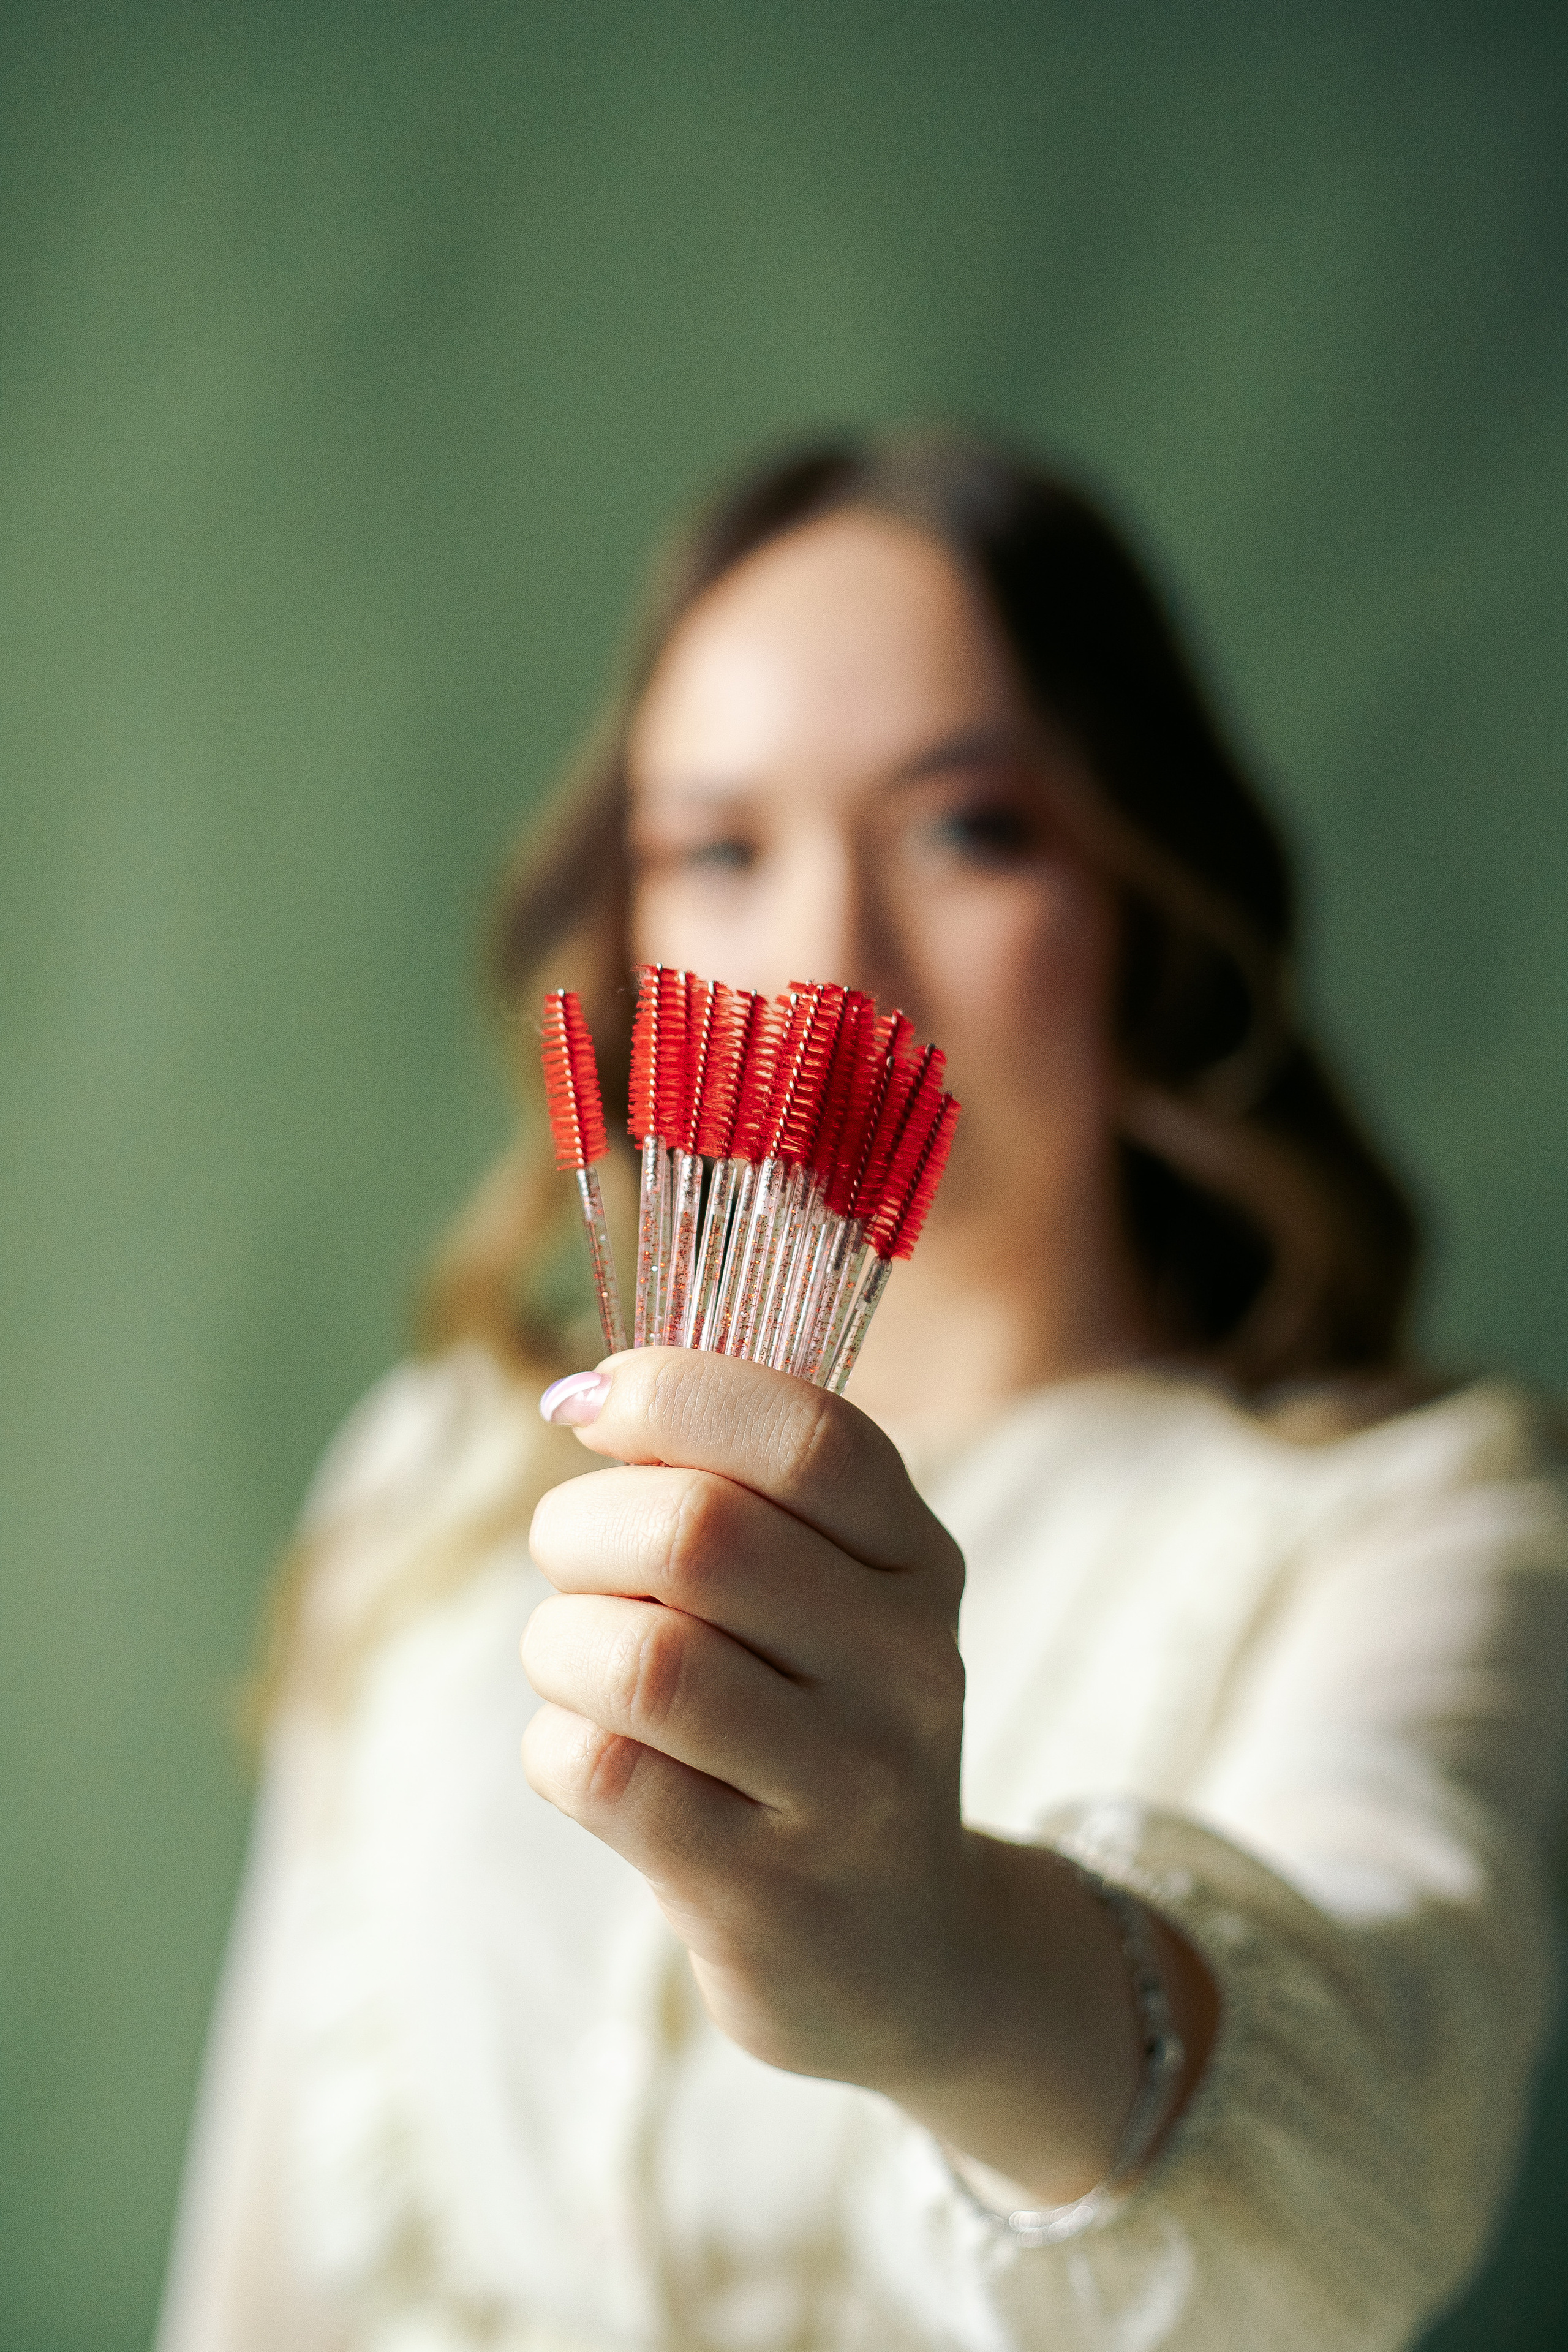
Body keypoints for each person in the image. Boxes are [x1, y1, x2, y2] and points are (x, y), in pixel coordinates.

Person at [159, 433, 1568, 2351]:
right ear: (632, 932)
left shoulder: (1408, 1520)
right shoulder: (439, 1481)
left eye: (966, 828)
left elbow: (1373, 2168)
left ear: (1142, 897)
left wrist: (941, 1969)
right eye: (721, 849)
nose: (830, 966)